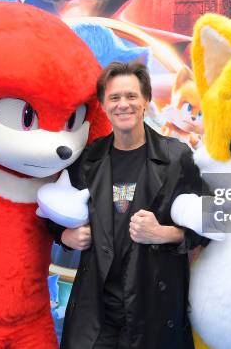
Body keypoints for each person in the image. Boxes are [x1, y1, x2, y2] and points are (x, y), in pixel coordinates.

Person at [47, 62, 207, 348]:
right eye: (115, 97)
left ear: (146, 100)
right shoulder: (88, 159)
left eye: (132, 96)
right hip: (97, 314)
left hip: (153, 312)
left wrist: (165, 233)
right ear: (103, 105)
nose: (124, 105)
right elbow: (52, 213)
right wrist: (65, 236)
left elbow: (212, 221)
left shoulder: (177, 157)